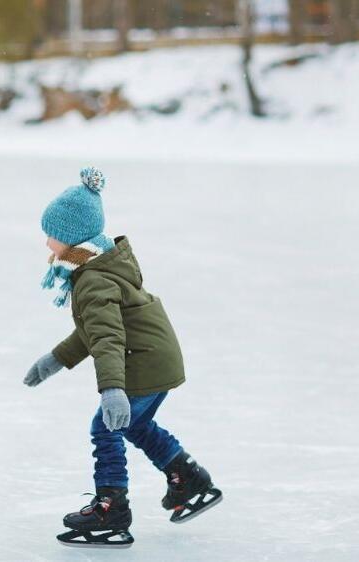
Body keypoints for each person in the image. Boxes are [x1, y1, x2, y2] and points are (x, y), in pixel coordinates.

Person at [24, 167, 222, 548]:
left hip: (143, 360)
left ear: (71, 238)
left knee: (106, 426)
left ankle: (110, 507)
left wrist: (112, 388)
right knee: (134, 423)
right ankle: (187, 477)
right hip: (157, 356)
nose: (47, 243)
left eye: (52, 235)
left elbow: (109, 338)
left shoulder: (93, 279)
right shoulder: (98, 264)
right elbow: (94, 332)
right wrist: (55, 359)